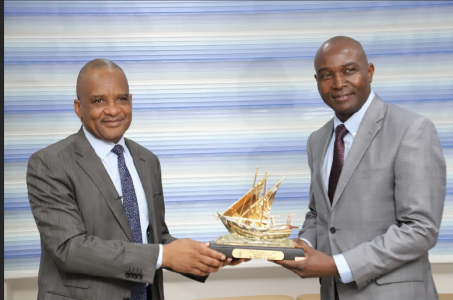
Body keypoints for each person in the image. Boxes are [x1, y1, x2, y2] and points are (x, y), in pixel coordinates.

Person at [26, 59, 245, 300]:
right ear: (79, 108)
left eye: (121, 99)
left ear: (131, 101)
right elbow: (68, 249)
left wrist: (209, 254)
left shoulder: (147, 160)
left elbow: (152, 238)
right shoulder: (49, 163)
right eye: (99, 101)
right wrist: (164, 255)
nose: (112, 109)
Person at [274, 36, 446, 300]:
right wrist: (303, 246)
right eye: (326, 75)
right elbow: (318, 214)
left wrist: (336, 265)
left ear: (370, 72)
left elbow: (420, 229)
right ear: (317, 81)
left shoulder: (411, 129)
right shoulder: (317, 141)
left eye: (349, 70)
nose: (338, 83)